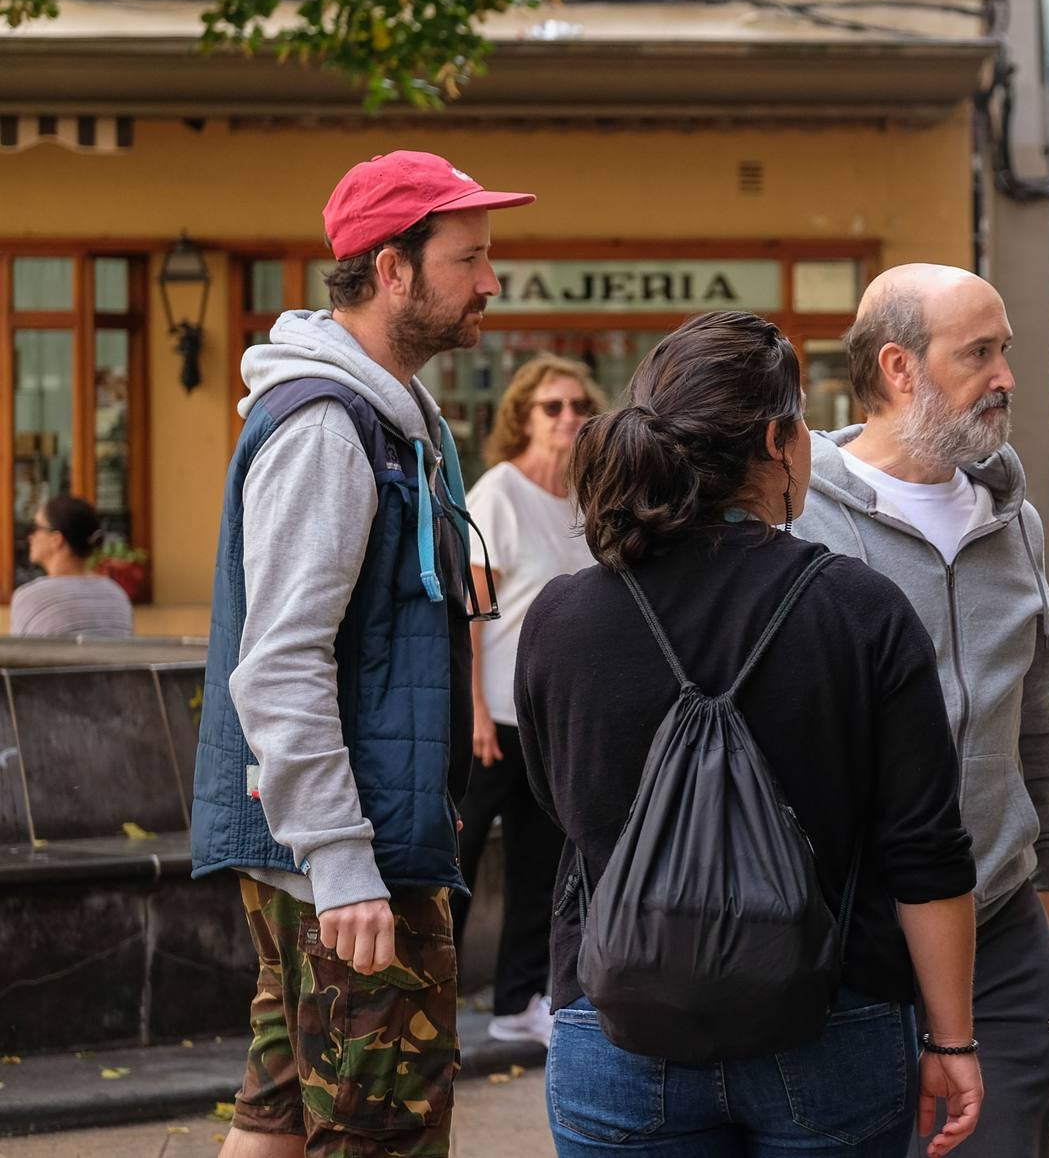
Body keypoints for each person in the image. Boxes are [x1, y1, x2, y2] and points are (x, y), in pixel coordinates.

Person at [514, 311, 984, 1158]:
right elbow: (926, 851)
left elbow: (558, 801)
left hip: (617, 1025)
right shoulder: (860, 611)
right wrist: (951, 1042)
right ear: (777, 440)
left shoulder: (563, 618)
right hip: (833, 1022)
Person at [192, 150, 531, 1158]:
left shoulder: (382, 422)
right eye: (469, 259)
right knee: (383, 1133)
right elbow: (282, 662)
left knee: (283, 1108)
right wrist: (344, 864)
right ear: (393, 270)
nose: (489, 282)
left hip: (332, 836)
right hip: (348, 851)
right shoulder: (329, 431)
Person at [797, 264, 1049, 1158]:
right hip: (846, 947)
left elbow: (1034, 717)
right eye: (979, 354)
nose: (1006, 378)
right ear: (899, 367)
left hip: (999, 930)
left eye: (1006, 351)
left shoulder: (1015, 526)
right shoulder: (799, 523)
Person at [452, 354, 604, 1048]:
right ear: (522, 416)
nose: (568, 417)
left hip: (552, 722)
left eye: (577, 406)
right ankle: (426, 1004)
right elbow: (472, 616)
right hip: (493, 719)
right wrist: (476, 712)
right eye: (552, 407)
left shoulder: (584, 499)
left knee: (539, 869)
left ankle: (518, 1001)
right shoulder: (499, 493)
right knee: (452, 862)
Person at [11, 495, 134, 638]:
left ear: (56, 539)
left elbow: (20, 657)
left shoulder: (31, 597)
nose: (30, 537)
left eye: (35, 528)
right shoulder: (116, 595)